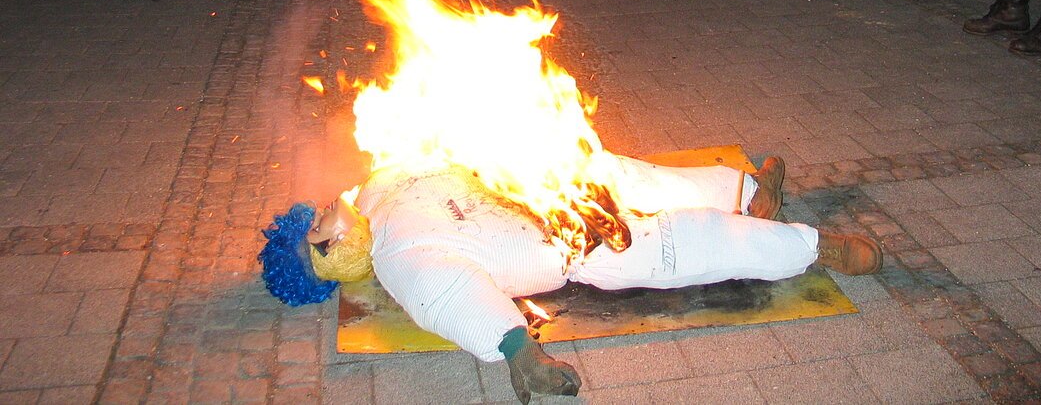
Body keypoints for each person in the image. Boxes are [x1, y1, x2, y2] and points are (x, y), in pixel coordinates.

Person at [260, 152, 880, 404]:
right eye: (317, 227)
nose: (324, 211)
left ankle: (747, 189)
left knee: (641, 179)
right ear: (329, 255)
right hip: (571, 242)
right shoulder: (399, 254)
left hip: (550, 179)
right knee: (674, 245)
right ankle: (815, 247)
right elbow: (449, 297)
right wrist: (514, 349)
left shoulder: (379, 185)